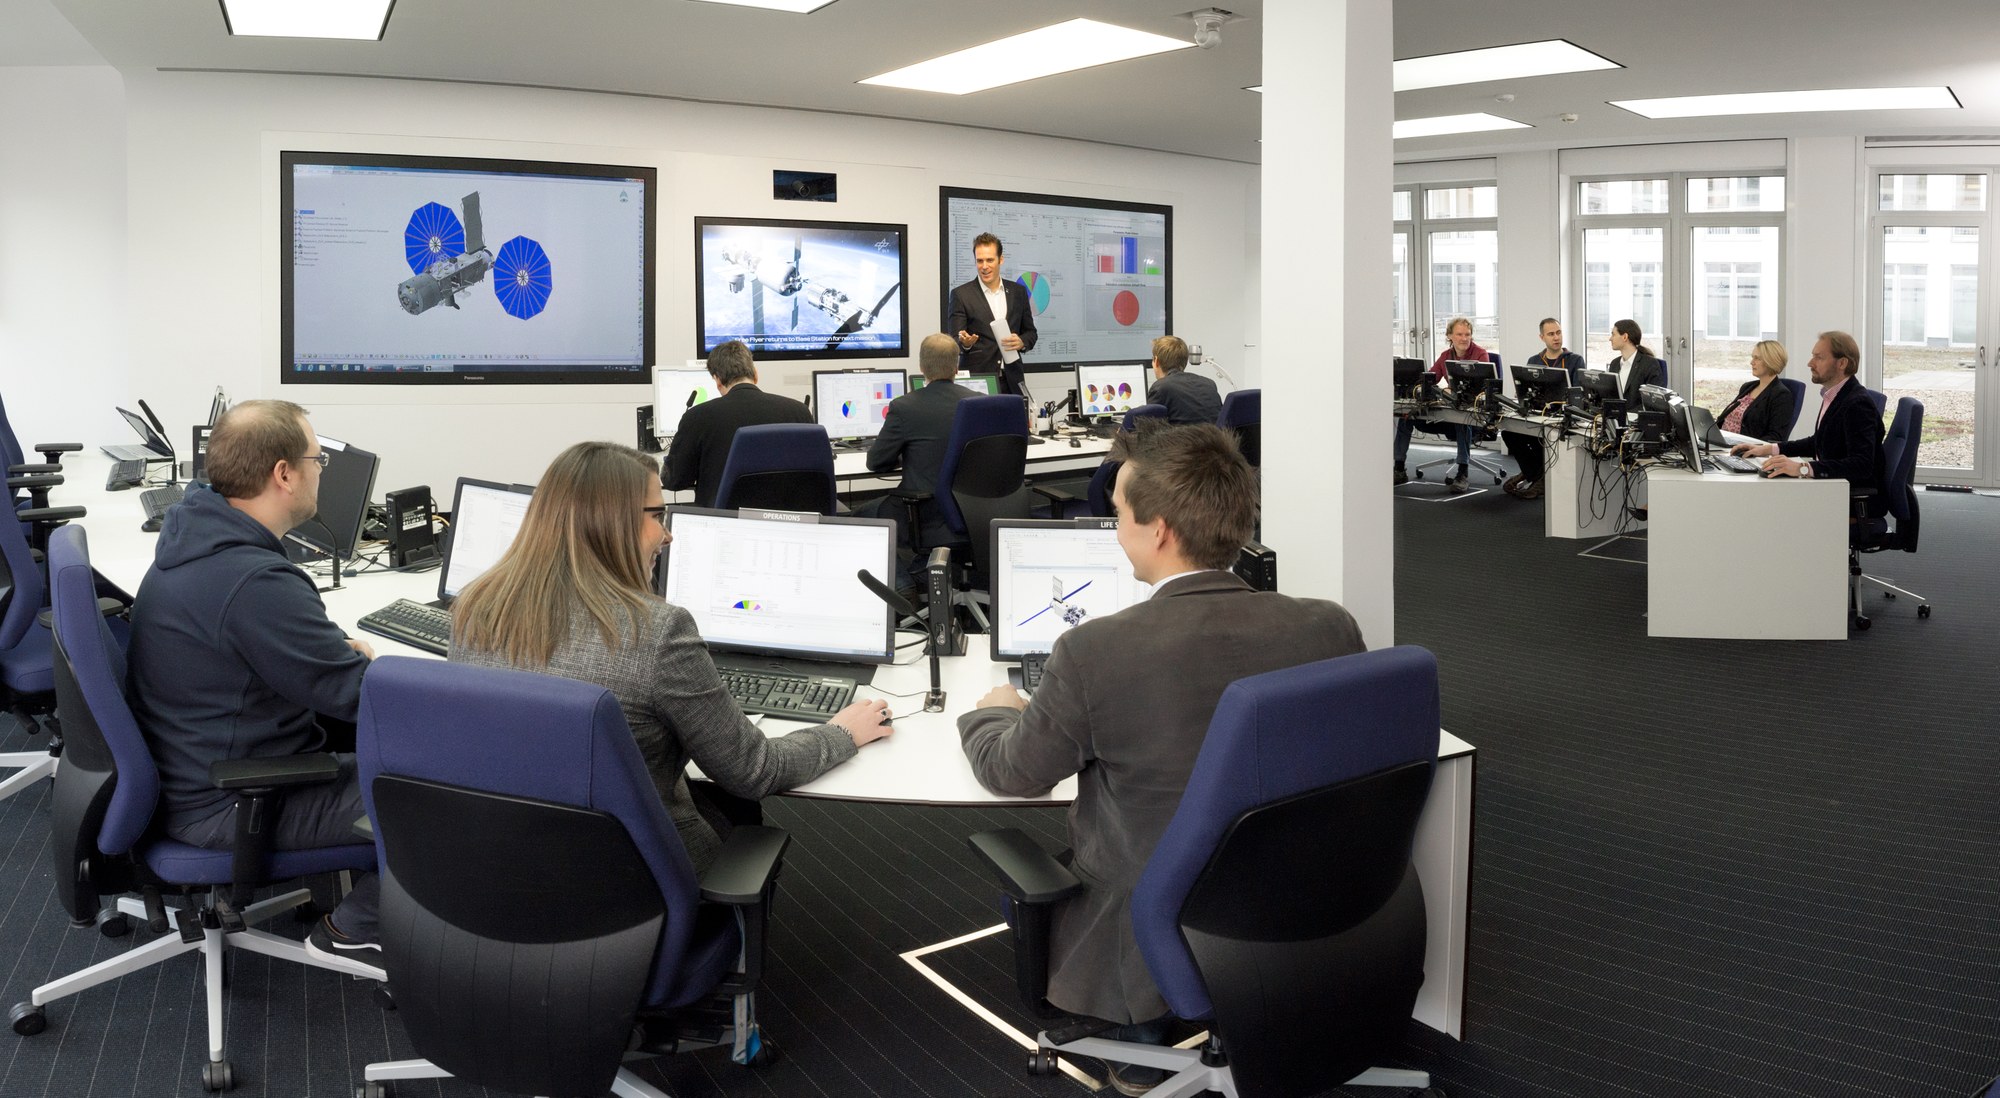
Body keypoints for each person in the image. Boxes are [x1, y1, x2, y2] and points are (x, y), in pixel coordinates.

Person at [958, 422, 1365, 1094]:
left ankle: (1139, 1035)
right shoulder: (1329, 624)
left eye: (1118, 512)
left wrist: (994, 711)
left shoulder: (1095, 652)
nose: (1113, 527)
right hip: (1307, 890)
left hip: (1158, 914)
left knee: (1043, 881)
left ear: (1161, 531)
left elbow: (1011, 772)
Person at [451, 441, 893, 871]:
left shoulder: (475, 607)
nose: (667, 533)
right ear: (612, 521)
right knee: (737, 807)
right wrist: (841, 733)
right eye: (657, 515)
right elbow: (754, 770)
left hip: (503, 863)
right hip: (633, 875)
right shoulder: (658, 631)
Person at [126, 399, 381, 963]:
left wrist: (323, 645)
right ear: (284, 474)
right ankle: (354, 929)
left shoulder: (199, 537)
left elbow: (254, 638)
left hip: (195, 770)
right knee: (443, 792)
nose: (320, 471)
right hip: (229, 799)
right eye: (318, 459)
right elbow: (363, 697)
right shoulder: (254, 582)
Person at [1730, 331, 1886, 513]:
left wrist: (1802, 468)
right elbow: (1818, 441)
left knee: (1764, 507)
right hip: (1831, 488)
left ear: (1842, 363)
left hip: (1851, 500)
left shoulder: (1857, 403)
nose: (1810, 363)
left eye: (1818, 358)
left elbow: (1861, 465)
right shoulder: (1836, 396)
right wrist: (1769, 449)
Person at [664, 339, 812, 508]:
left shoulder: (697, 417)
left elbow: (675, 480)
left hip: (724, 524)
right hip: (786, 522)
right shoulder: (799, 412)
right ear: (755, 374)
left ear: (717, 380)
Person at [866, 332, 975, 561]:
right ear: (956, 366)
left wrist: (905, 455)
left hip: (925, 513)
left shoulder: (905, 407)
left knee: (856, 517)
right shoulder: (981, 404)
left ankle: (904, 585)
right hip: (976, 511)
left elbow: (875, 462)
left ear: (922, 367)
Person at [1502, 317, 1587, 500]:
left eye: (1558, 332)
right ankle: (1536, 475)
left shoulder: (1575, 360)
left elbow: (1578, 394)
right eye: (1551, 334)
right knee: (1510, 434)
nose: (1556, 337)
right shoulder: (1534, 360)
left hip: (1561, 417)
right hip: (1536, 414)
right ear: (1542, 338)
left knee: (1545, 437)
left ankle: (1533, 476)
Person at [1394, 316, 1482, 491]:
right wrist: (1427, 388)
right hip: (1446, 414)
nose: (1464, 338)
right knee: (1406, 416)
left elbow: (1483, 389)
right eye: (1459, 334)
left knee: (1461, 420)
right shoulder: (1445, 356)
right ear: (1450, 336)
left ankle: (1462, 472)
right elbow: (1430, 378)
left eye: (1467, 334)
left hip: (1471, 416)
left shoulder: (1480, 354)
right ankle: (1399, 467)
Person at [947, 232, 1038, 395]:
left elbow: (1031, 333)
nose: (984, 266)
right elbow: (954, 340)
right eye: (979, 260)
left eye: (990, 260)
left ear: (1000, 260)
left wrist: (1022, 341)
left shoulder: (1018, 292)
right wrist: (965, 344)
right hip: (978, 383)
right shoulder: (961, 295)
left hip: (1012, 381)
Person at [1715, 340, 1796, 442]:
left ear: (1771, 361)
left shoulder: (1781, 395)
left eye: (1757, 358)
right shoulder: (1747, 387)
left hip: (1744, 449)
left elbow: (1775, 436)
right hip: (1722, 442)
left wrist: (1749, 447)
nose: (1752, 362)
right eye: (1752, 357)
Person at [1143, 335, 1221, 425]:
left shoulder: (1161, 387)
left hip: (1180, 439)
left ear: (1156, 361)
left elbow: (1146, 429)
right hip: (1213, 438)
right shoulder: (1209, 384)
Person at [1605, 318, 1665, 404]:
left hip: (1638, 416)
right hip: (1617, 415)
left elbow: (1654, 402)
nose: (1610, 339)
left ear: (1625, 337)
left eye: (1613, 334)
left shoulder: (1649, 364)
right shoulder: (1614, 364)